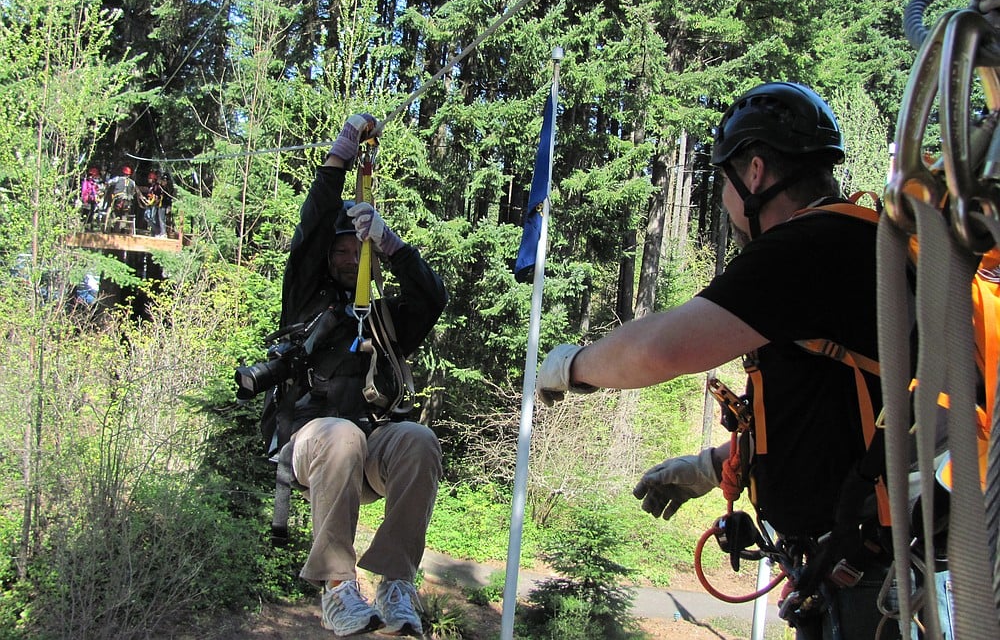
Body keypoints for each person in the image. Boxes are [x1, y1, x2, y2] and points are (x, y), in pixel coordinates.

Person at [536, 82, 898, 639]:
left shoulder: (808, 247)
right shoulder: (850, 246)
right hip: (853, 567)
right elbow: (835, 421)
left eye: (723, 180)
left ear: (754, 173)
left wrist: (572, 366)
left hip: (870, 581)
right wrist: (712, 465)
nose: (726, 204)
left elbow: (662, 348)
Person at [279, 113, 447, 636]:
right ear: (329, 258)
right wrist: (339, 159)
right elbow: (309, 232)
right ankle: (336, 587)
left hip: (365, 452)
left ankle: (396, 581)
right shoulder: (307, 300)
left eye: (361, 251)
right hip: (312, 445)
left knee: (418, 439)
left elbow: (432, 298)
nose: (353, 259)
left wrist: (394, 247)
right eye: (343, 251)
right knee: (341, 434)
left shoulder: (381, 317)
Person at [142, 171, 166, 237]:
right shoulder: (151, 187)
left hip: (154, 205)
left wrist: (152, 202)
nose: (148, 179)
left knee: (152, 218)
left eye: (149, 178)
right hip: (150, 205)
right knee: (147, 217)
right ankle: (156, 231)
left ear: (152, 179)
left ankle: (158, 232)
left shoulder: (157, 187)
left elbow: (157, 197)